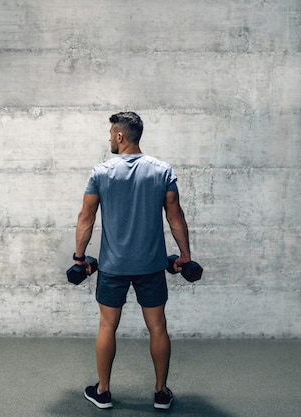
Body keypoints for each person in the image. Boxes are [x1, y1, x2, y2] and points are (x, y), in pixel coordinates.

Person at [73, 111, 192, 410]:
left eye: (111, 133)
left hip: (113, 267)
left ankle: (103, 392)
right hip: (151, 266)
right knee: (158, 328)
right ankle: (161, 393)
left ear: (120, 136)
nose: (109, 138)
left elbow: (86, 217)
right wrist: (186, 256)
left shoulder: (100, 172)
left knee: (107, 327)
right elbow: (175, 216)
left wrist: (79, 258)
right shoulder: (162, 170)